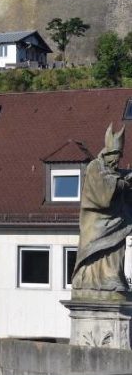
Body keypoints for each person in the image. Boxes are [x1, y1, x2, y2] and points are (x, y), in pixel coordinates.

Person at [72, 123, 132, 297]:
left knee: (116, 246)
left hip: (115, 220)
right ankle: (90, 279)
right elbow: (102, 196)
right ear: (106, 154)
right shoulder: (94, 167)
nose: (116, 162)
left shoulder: (114, 170)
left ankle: (112, 277)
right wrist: (122, 183)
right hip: (96, 222)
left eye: (118, 158)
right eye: (114, 157)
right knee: (95, 250)